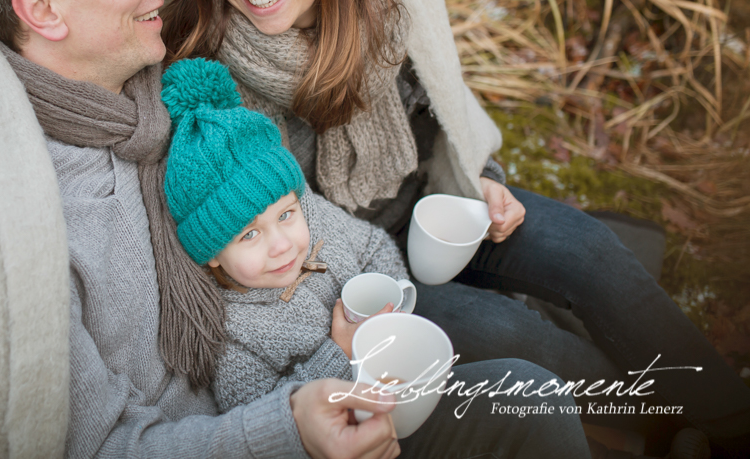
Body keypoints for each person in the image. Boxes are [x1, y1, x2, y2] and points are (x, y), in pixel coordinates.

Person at [0, 0, 589, 459]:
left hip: (314, 359)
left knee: (531, 392)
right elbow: (98, 446)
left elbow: (289, 187)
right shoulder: (12, 232)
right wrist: (289, 427)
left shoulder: (158, 85)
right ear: (41, 9)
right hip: (240, 432)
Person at [159, 0, 750, 458]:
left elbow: (443, 112)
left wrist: (484, 183)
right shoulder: (205, 64)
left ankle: (729, 421)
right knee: (506, 332)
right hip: (341, 271)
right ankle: (658, 425)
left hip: (426, 211)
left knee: (587, 248)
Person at [160, 56, 589, 439]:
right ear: (212, 252)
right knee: (523, 394)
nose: (281, 245)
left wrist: (390, 296)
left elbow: (373, 243)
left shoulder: (316, 219)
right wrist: (339, 352)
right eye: (248, 235)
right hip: (362, 433)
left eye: (286, 214)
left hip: (403, 377)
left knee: (532, 382)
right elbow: (265, 420)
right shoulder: (236, 337)